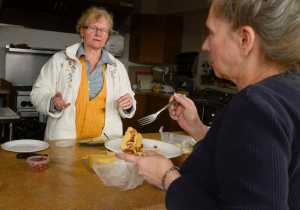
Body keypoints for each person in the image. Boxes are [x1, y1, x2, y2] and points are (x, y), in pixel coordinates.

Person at [117, 0, 300, 209]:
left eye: (211, 32)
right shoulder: (290, 92)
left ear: (244, 39)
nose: (204, 45)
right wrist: (198, 129)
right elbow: (253, 162)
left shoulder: (255, 106)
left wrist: (167, 176)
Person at [31, 7, 136, 141]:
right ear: (82, 31)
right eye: (93, 28)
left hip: (105, 142)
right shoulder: (60, 60)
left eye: (103, 30)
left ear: (107, 36)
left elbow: (129, 98)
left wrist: (128, 104)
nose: (98, 33)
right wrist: (52, 102)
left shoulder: (117, 67)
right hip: (65, 142)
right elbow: (37, 93)